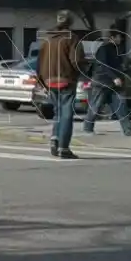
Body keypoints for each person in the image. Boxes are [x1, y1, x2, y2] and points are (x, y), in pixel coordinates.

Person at [36, 10, 87, 159]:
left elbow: (39, 62)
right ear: (70, 22)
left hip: (49, 80)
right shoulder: (72, 38)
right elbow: (76, 60)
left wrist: (41, 81)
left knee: (58, 112)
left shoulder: (46, 39)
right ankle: (64, 147)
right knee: (66, 113)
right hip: (66, 79)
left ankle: (54, 139)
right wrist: (84, 71)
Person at [83, 29, 131, 137]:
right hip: (102, 82)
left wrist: (123, 73)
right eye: (118, 37)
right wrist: (114, 77)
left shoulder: (117, 49)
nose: (120, 39)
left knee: (121, 105)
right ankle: (88, 127)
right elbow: (104, 66)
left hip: (115, 84)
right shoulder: (103, 49)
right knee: (96, 106)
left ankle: (128, 129)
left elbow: (117, 66)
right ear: (112, 38)